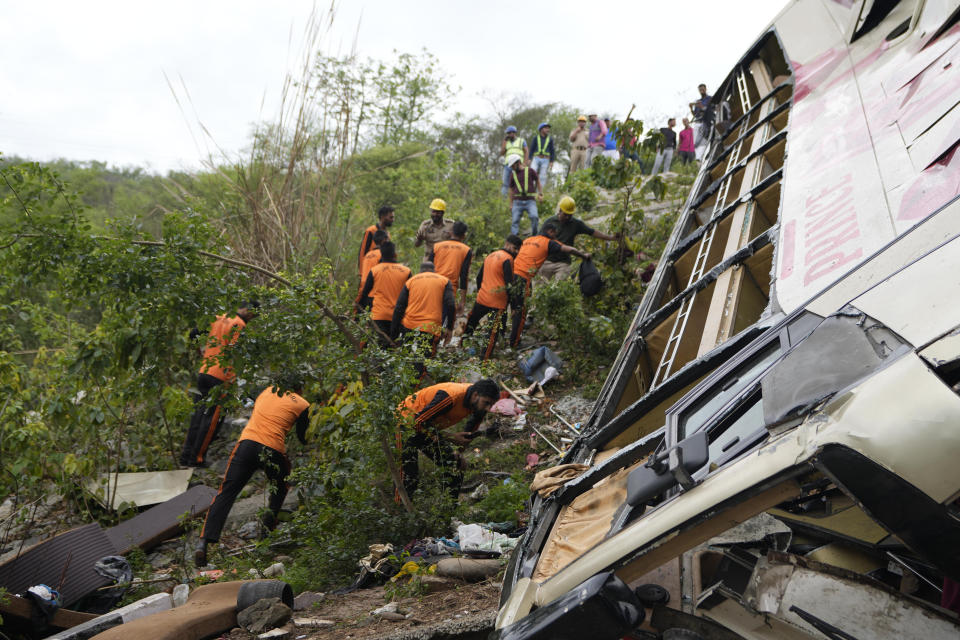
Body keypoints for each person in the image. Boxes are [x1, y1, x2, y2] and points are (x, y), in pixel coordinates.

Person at [194, 383, 310, 566]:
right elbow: (303, 438)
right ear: (300, 388)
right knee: (280, 488)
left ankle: (203, 542)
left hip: (247, 444)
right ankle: (265, 537)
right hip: (274, 449)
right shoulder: (302, 404)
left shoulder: (266, 390)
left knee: (226, 492)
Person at [179, 303, 258, 468]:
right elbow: (234, 351)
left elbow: (194, 333)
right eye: (253, 315)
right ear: (248, 311)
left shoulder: (219, 317)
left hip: (205, 372)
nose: (251, 319)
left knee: (198, 415)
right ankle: (197, 459)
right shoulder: (239, 325)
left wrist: (201, 352)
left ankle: (186, 457)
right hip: (220, 377)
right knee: (211, 420)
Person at [398, 379, 499, 499]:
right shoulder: (450, 397)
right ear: (475, 395)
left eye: (491, 405)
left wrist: (458, 452)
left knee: (455, 465)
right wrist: (451, 438)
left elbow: (469, 432)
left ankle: (446, 513)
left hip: (427, 425)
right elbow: (418, 422)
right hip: (405, 424)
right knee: (408, 477)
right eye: (486, 403)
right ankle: (401, 512)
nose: (488, 408)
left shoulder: (478, 404)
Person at [511, 222, 591, 346]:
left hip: (510, 273)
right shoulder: (548, 242)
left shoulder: (528, 239)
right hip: (523, 277)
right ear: (550, 232)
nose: (556, 237)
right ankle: (515, 342)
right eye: (555, 234)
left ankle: (505, 334)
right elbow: (569, 249)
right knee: (520, 310)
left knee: (511, 306)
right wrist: (583, 256)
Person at [464, 234, 522, 360]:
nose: (516, 252)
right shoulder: (508, 259)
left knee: (471, 321)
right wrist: (514, 306)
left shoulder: (490, 255)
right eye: (515, 248)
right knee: (492, 333)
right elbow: (509, 285)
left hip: (482, 298)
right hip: (498, 302)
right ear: (507, 244)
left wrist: (482, 290)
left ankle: (462, 346)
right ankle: (484, 360)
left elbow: (479, 277)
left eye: (518, 250)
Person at [540, 196, 617, 282]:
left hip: (563, 263)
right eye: (565, 214)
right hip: (547, 261)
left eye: (570, 215)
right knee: (541, 287)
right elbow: (539, 240)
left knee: (559, 287)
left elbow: (592, 232)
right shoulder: (549, 222)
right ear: (560, 210)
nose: (567, 218)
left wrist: (611, 238)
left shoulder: (575, 224)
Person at [391, 261, 455, 351]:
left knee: (405, 355)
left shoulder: (411, 281)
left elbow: (399, 308)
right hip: (431, 327)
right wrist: (449, 328)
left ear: (420, 271)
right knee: (425, 359)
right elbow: (451, 304)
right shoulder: (444, 281)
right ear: (434, 271)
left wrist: (393, 335)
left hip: (409, 325)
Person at [358, 241, 411, 345]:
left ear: (381, 255)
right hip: (398, 318)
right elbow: (411, 296)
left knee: (379, 347)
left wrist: (360, 314)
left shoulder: (375, 270)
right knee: (394, 347)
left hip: (378, 315)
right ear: (395, 254)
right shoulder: (406, 271)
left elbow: (364, 294)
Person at [429, 221, 473, 314]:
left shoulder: (437, 246)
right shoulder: (466, 250)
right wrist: (462, 301)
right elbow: (464, 276)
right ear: (464, 236)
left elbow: (428, 268)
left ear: (451, 232)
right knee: (445, 320)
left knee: (430, 316)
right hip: (449, 289)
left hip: (432, 285)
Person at [507, 154, 542, 236]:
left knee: (534, 217)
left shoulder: (530, 171)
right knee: (515, 221)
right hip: (517, 202)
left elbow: (538, 181)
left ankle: (534, 236)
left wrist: (540, 194)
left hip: (530, 201)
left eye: (513, 165)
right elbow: (511, 190)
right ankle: (514, 239)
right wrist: (511, 204)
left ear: (518, 162)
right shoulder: (513, 175)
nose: (512, 168)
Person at [358, 206, 394, 275]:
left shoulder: (388, 234)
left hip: (382, 272)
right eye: (391, 217)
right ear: (383, 217)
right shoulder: (371, 230)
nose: (393, 220)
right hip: (369, 270)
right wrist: (361, 271)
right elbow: (363, 251)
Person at [356, 229, 387, 305]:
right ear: (384, 240)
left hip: (364, 292)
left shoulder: (367, 255)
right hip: (376, 295)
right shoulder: (382, 255)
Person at [500, 126, 529, 196]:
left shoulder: (521, 141)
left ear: (515, 133)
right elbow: (502, 153)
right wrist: (504, 142)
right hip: (508, 165)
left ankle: (518, 197)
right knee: (505, 183)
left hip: (518, 164)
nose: (510, 134)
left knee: (518, 182)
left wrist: (525, 163)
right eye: (509, 133)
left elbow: (526, 151)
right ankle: (503, 199)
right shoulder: (506, 142)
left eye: (512, 132)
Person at [689, 84, 713, 161]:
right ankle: (699, 157)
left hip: (707, 122)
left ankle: (704, 156)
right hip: (698, 122)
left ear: (706, 89)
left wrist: (701, 106)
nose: (702, 91)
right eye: (700, 90)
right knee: (696, 142)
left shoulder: (710, 98)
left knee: (706, 139)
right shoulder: (698, 101)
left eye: (703, 89)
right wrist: (691, 108)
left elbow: (709, 110)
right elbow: (695, 115)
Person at [528, 123, 555, 187]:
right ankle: (531, 188)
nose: (548, 130)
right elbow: (532, 149)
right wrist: (529, 158)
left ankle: (540, 192)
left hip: (546, 159)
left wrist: (551, 161)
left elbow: (552, 150)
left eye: (548, 128)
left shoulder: (550, 139)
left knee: (542, 176)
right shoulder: (536, 138)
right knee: (532, 172)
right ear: (541, 129)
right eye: (546, 128)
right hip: (536, 158)